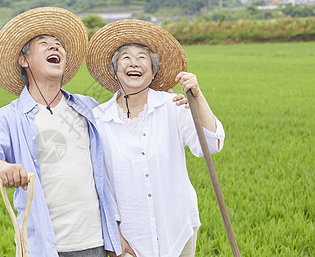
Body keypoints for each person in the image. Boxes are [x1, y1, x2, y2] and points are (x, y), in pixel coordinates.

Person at [0, 7, 123, 257]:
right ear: (24, 60)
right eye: (44, 43)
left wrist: (165, 101)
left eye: (59, 44)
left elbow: (129, 121)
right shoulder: (8, 118)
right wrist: (1, 168)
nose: (55, 48)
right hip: (42, 247)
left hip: (94, 242)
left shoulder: (88, 108)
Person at [86, 20, 225, 257]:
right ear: (114, 69)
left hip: (178, 229)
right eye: (125, 57)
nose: (134, 63)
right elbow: (102, 186)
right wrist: (115, 237)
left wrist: (197, 98)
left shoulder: (173, 106)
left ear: (153, 71)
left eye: (142, 57)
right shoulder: (99, 120)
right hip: (130, 237)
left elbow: (212, 144)